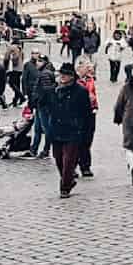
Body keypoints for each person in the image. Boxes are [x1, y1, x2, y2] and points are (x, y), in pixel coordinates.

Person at [43, 63, 96, 198]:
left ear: (72, 77)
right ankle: (69, 179)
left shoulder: (80, 91)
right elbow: (48, 107)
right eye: (61, 75)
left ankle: (65, 187)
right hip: (56, 130)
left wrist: (85, 133)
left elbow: (87, 114)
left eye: (65, 75)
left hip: (73, 131)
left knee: (69, 161)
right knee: (58, 159)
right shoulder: (54, 90)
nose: (63, 77)